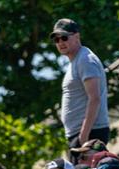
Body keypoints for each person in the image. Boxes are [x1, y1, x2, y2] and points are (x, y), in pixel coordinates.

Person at [51, 18, 109, 149]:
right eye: (56, 39)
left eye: (64, 38)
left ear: (77, 36)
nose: (60, 42)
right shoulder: (77, 61)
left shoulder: (85, 60)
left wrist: (84, 135)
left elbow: (94, 99)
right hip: (80, 133)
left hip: (90, 133)